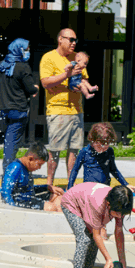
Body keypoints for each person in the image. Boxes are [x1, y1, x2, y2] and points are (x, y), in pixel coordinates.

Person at [40, 27, 87, 186]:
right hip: (57, 111)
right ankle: (50, 184)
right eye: (70, 39)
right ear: (60, 39)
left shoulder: (77, 57)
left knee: (74, 149)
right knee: (55, 150)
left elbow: (84, 79)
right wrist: (66, 75)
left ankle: (70, 184)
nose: (74, 43)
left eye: (75, 40)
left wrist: (85, 87)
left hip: (76, 110)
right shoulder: (49, 58)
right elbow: (45, 82)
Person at [0, 37, 40, 167]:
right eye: (26, 49)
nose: (28, 52)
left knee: (9, 140)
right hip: (18, 111)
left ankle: (10, 168)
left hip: (3, 111)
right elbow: (30, 89)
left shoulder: (1, 65)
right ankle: (8, 173)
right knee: (11, 144)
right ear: (19, 50)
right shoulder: (23, 67)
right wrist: (36, 88)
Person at [60, 182, 133, 268]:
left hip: (87, 201)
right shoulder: (98, 205)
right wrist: (108, 259)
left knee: (94, 241)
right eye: (117, 213)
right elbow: (97, 235)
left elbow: (118, 232)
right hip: (71, 203)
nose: (120, 216)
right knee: (84, 238)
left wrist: (122, 260)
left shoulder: (120, 205)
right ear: (108, 204)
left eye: (122, 214)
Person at [65, 122, 129, 191]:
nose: (103, 148)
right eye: (100, 146)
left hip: (104, 188)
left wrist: (126, 184)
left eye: (106, 145)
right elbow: (75, 170)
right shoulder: (85, 152)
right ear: (93, 141)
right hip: (89, 189)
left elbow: (114, 170)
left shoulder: (109, 151)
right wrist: (70, 187)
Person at [1, 142, 62, 212]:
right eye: (39, 164)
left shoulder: (27, 168)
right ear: (30, 159)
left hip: (30, 199)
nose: (39, 168)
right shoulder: (15, 167)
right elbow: (5, 192)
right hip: (21, 202)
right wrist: (13, 211)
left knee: (59, 198)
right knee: (50, 208)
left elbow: (29, 190)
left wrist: (47, 187)